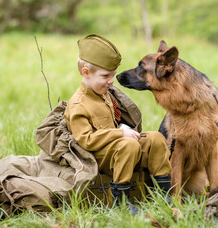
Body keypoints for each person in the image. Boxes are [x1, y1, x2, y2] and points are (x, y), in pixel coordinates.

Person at [64, 34, 172, 214]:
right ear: (86, 73)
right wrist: (119, 134)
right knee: (128, 144)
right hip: (99, 157)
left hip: (119, 149)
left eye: (113, 75)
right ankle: (121, 200)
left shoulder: (103, 93)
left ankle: (163, 193)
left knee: (155, 138)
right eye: (106, 76)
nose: (111, 81)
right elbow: (86, 140)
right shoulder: (78, 105)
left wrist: (122, 128)